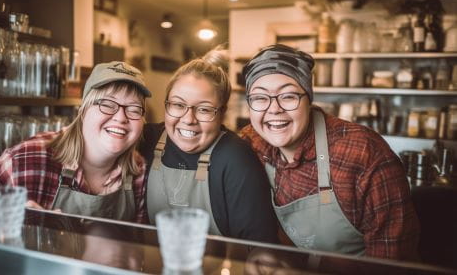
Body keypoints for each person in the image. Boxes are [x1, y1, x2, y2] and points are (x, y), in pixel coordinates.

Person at [239, 44, 420, 259]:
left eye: (288, 96)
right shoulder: (251, 142)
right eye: (259, 98)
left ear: (309, 99)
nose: (274, 108)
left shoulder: (364, 153)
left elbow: (392, 261)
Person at [0, 61, 151, 223]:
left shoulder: (139, 171)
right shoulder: (28, 159)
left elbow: (137, 249)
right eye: (107, 103)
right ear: (82, 111)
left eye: (134, 109)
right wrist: (1, 219)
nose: (121, 117)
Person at [139, 49, 279, 243]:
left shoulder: (236, 157)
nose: (188, 120)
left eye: (204, 109)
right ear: (166, 105)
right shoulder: (146, 140)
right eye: (178, 105)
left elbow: (259, 247)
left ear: (222, 114)